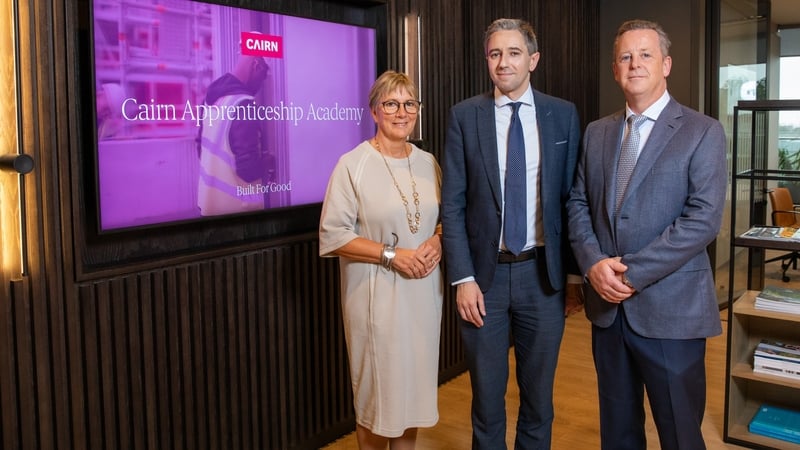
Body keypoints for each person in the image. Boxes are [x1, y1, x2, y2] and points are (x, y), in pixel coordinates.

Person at [566, 19, 727, 449]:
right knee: (617, 436)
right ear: (615, 70)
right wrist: (593, 265)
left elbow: (703, 220)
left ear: (666, 64)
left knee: (679, 435)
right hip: (609, 316)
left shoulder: (702, 131)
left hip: (673, 314)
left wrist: (627, 273)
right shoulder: (596, 133)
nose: (634, 64)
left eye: (645, 55)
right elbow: (579, 204)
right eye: (624, 57)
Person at [440, 18, 583, 449]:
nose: (504, 62)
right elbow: (453, 203)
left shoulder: (563, 114)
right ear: (487, 60)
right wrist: (462, 279)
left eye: (514, 52)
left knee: (539, 399)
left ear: (533, 60)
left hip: (543, 278)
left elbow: (572, 200)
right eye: (495, 54)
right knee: (486, 398)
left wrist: (574, 276)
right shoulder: (465, 116)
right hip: (484, 279)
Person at [319, 70, 443, 450]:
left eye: (409, 104)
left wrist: (439, 241)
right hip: (376, 302)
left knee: (411, 399)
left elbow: (443, 220)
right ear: (374, 111)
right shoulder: (352, 164)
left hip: (423, 298)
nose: (401, 112)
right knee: (378, 401)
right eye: (391, 103)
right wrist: (392, 255)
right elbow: (333, 235)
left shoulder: (427, 162)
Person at [197, 50, 270, 216]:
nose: (262, 83)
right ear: (256, 65)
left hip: (209, 205)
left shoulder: (212, 98)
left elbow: (200, 148)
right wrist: (268, 162)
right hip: (238, 213)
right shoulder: (244, 105)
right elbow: (248, 170)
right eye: (264, 75)